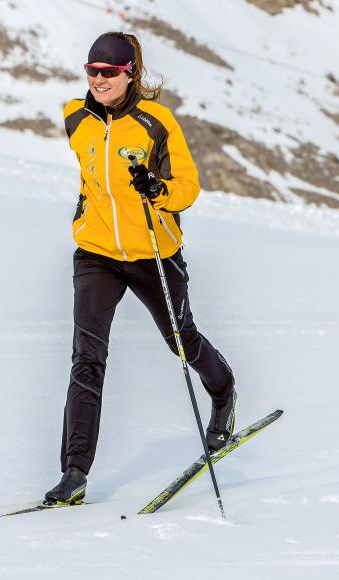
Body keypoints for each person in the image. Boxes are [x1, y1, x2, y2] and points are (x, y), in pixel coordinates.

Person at [45, 32, 237, 505]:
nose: (97, 79)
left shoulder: (156, 122)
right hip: (96, 254)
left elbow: (187, 186)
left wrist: (157, 189)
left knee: (181, 339)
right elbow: (92, 178)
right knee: (86, 360)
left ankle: (224, 389)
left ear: (129, 73)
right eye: (91, 70)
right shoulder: (76, 117)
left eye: (108, 72)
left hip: (154, 252)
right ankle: (74, 472)